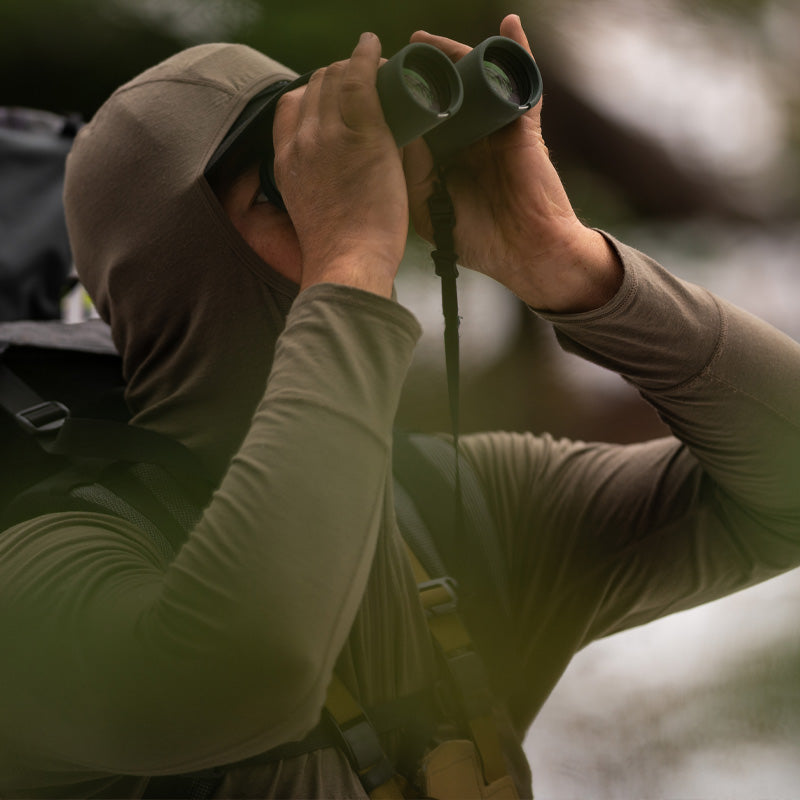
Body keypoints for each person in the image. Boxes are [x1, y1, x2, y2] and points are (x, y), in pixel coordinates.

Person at [1, 12, 799, 799]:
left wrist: (568, 262)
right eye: (294, 188)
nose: (360, 202)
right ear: (180, 257)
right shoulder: (40, 577)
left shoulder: (458, 513)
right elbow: (257, 668)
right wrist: (347, 262)